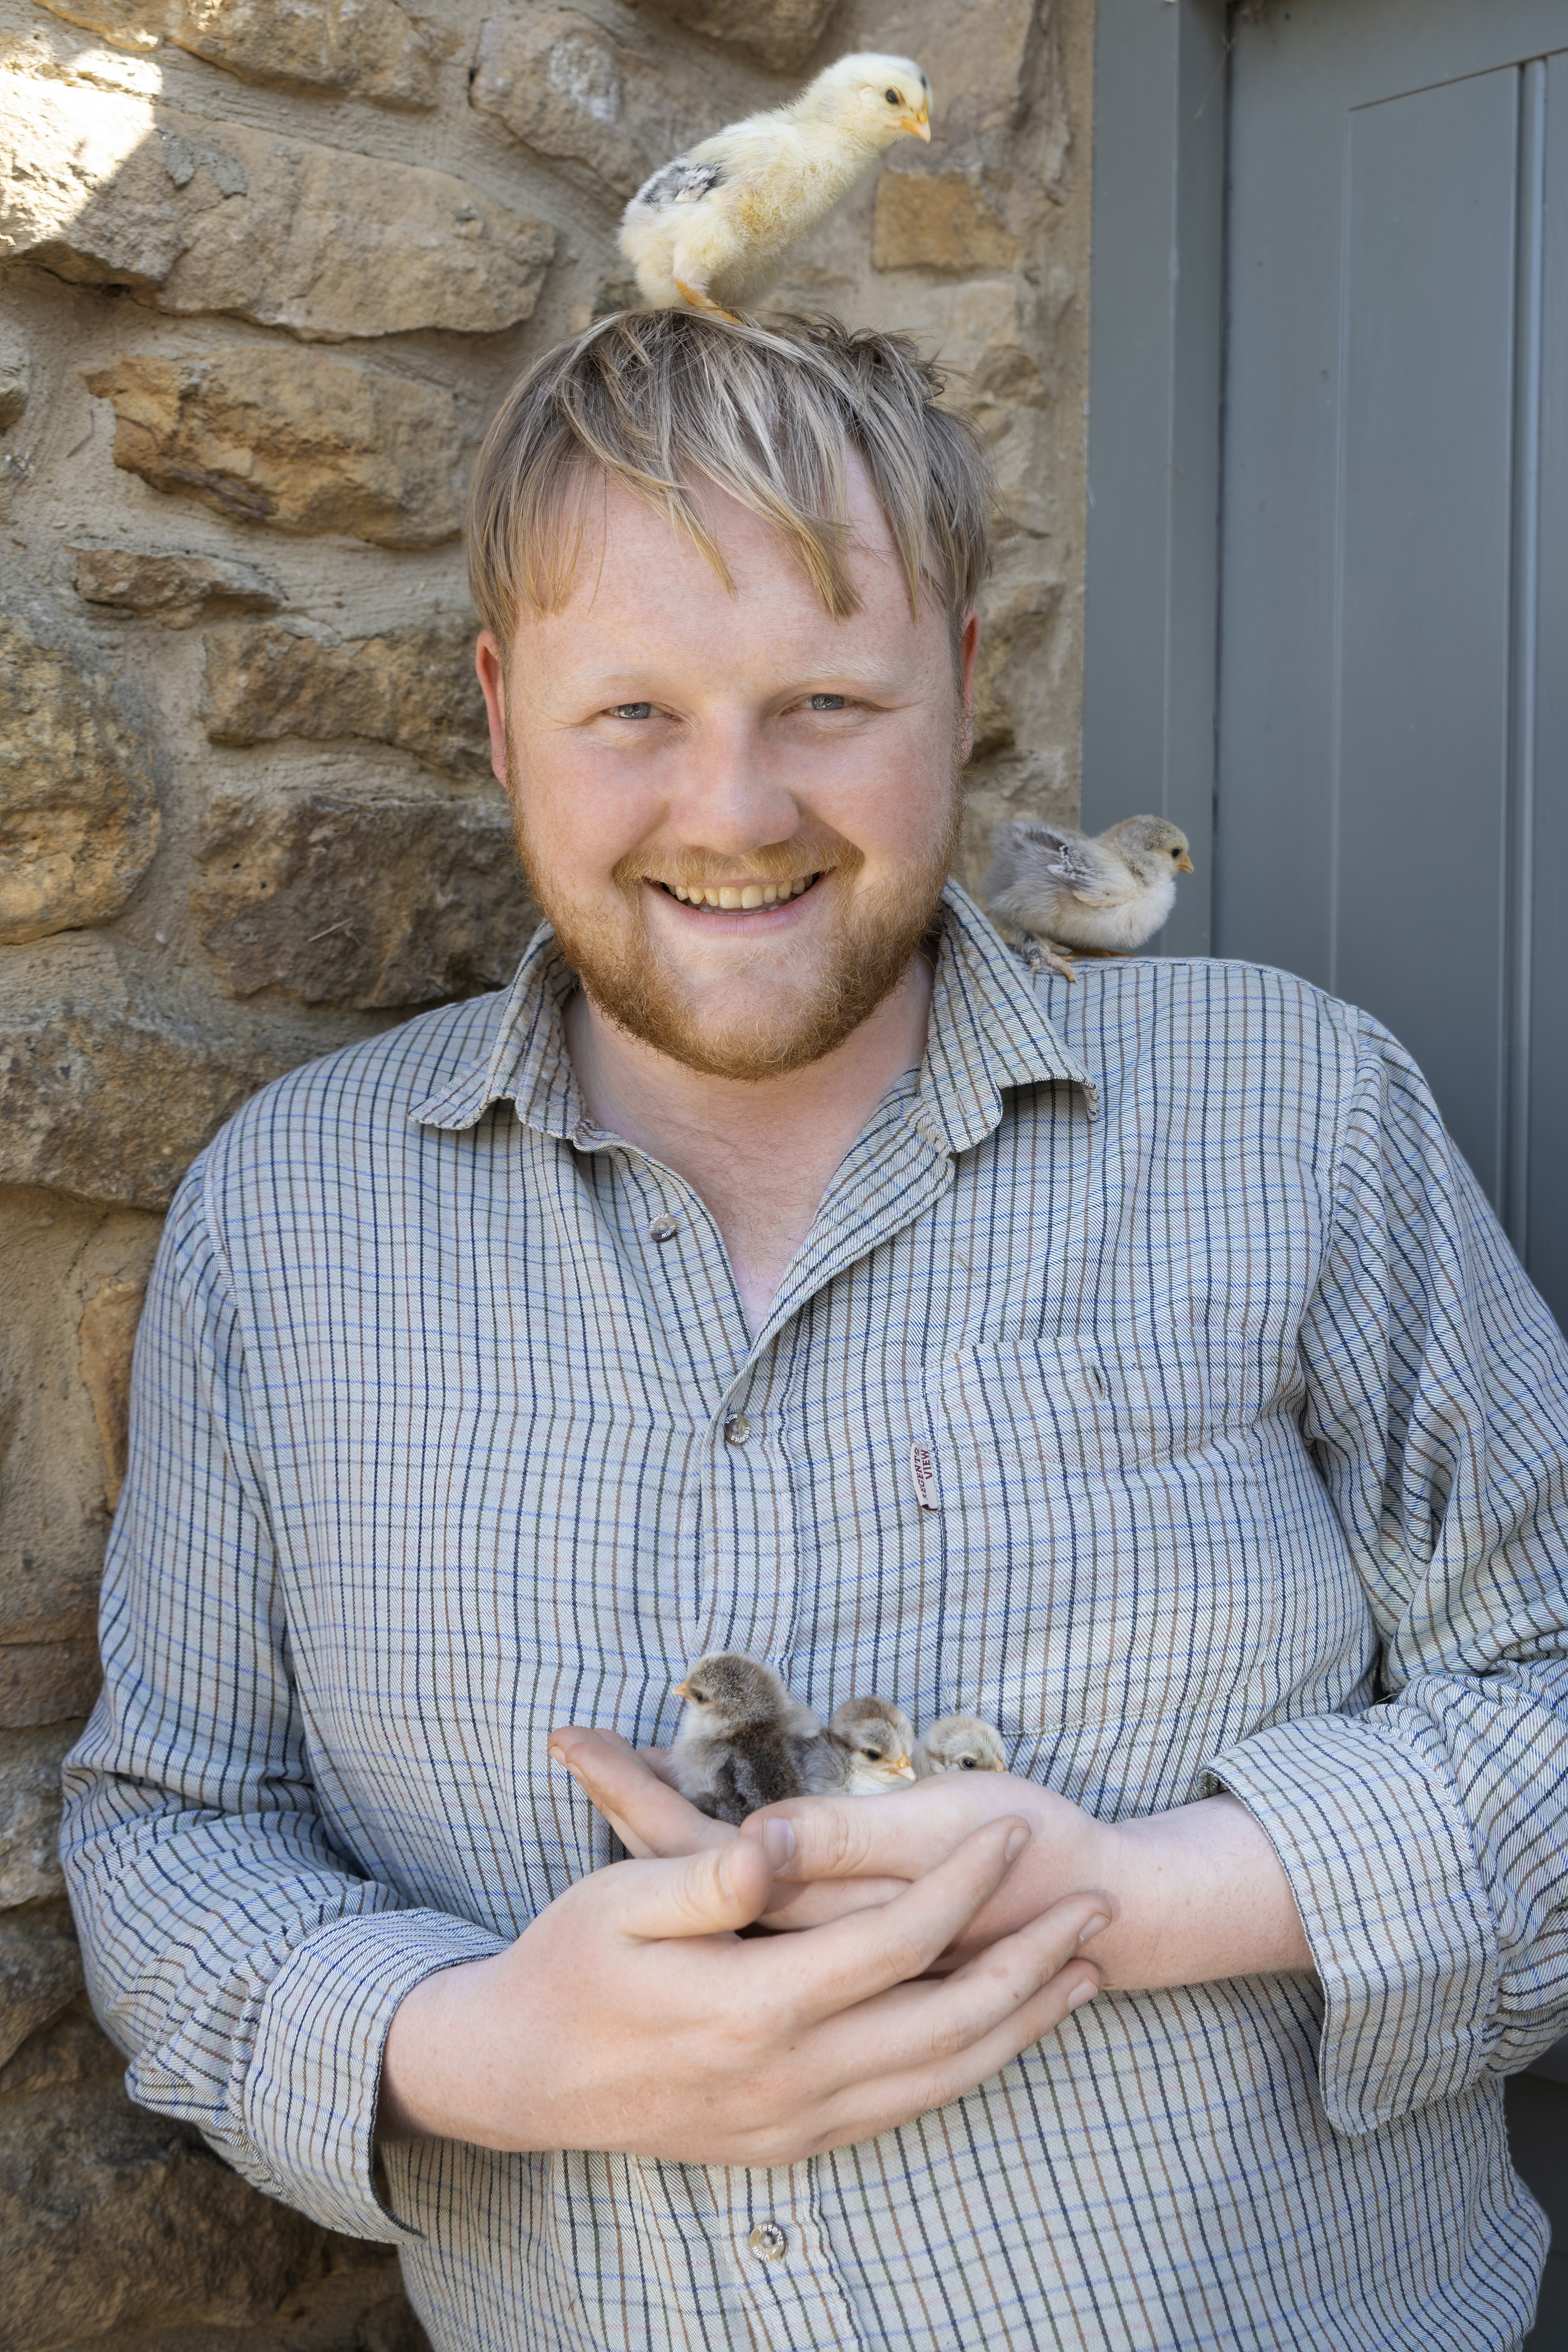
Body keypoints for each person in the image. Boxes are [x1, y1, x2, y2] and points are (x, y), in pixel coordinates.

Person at [62, 310, 1568, 2352]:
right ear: (502, 716)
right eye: (633, 717)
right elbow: (175, 1830)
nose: (735, 809)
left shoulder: (1295, 1116)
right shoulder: (284, 1221)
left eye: (824, 700)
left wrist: (1123, 1897)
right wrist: (486, 2048)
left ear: (961, 688)